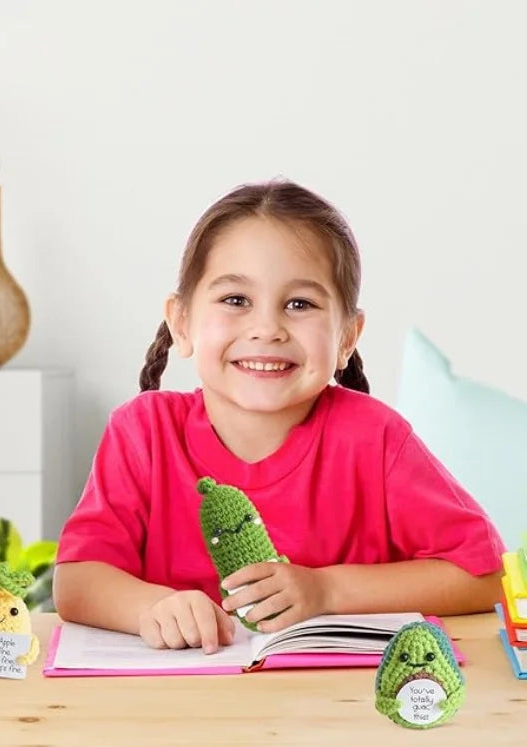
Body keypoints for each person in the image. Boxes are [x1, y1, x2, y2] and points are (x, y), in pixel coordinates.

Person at [53, 180, 504, 655]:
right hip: (180, 713)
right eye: (235, 300)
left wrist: (326, 591)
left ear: (347, 337)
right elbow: (78, 581)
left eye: (299, 304)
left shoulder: (376, 439)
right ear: (181, 323)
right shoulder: (142, 432)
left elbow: (483, 574)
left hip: (338, 712)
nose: (267, 329)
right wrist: (152, 607)